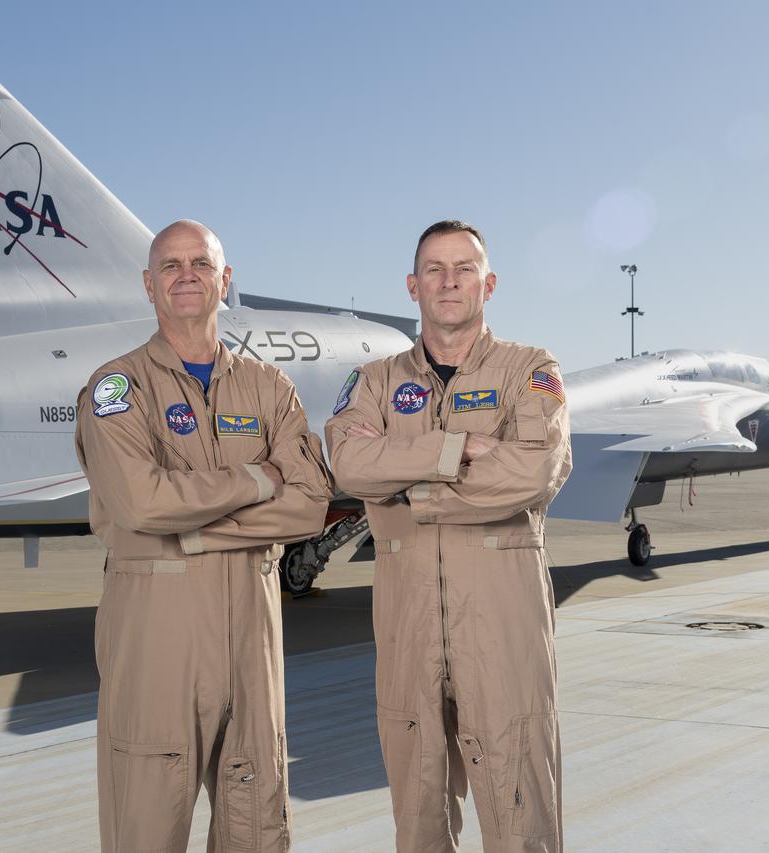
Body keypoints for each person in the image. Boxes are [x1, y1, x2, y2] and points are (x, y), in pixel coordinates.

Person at [74, 220, 332, 852]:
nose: (186, 275)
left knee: (257, 823)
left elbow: (310, 506)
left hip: (251, 636)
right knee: (147, 823)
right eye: (170, 266)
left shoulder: (268, 386)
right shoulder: (119, 389)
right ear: (148, 284)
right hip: (157, 635)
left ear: (225, 279)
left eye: (200, 263)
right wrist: (254, 478)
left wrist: (190, 528)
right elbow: (141, 503)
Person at [326, 220, 573, 852]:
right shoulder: (376, 381)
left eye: (464, 268)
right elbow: (350, 465)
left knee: (520, 807)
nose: (449, 281)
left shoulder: (530, 370)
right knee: (417, 811)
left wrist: (409, 484)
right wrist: (455, 450)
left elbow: (532, 473)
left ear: (488, 284)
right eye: (434, 269)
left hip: (501, 623)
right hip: (407, 626)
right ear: (413, 287)